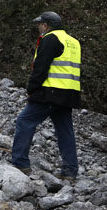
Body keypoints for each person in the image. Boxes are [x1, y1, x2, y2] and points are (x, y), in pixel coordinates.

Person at [10, 11, 81, 178]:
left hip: (50, 92)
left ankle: (20, 164)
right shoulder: (73, 42)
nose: (38, 27)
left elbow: (41, 68)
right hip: (69, 94)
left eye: (40, 24)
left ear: (46, 25)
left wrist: (32, 89)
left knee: (25, 121)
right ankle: (70, 170)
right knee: (65, 130)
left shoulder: (50, 39)